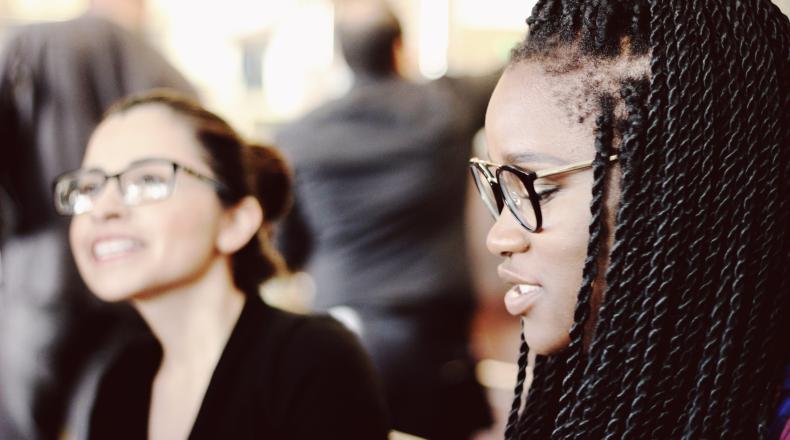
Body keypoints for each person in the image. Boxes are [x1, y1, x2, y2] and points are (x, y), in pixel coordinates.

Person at [469, 0, 790, 439]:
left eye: (537, 186)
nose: (499, 237)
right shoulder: (615, 393)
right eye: (499, 183)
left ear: (679, 187)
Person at [52, 90, 390, 440]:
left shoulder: (314, 361)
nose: (102, 208)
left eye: (147, 180)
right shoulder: (123, 379)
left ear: (235, 222)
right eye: (88, 186)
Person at [275, 1, 496, 438]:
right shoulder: (445, 108)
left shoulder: (298, 136)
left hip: (338, 328)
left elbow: (288, 246)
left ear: (342, 57)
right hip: (431, 332)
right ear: (399, 48)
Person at [0, 8, 196, 438]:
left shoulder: (23, 45)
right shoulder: (138, 51)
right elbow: (196, 132)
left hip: (38, 277)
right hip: (129, 273)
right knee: (115, 411)